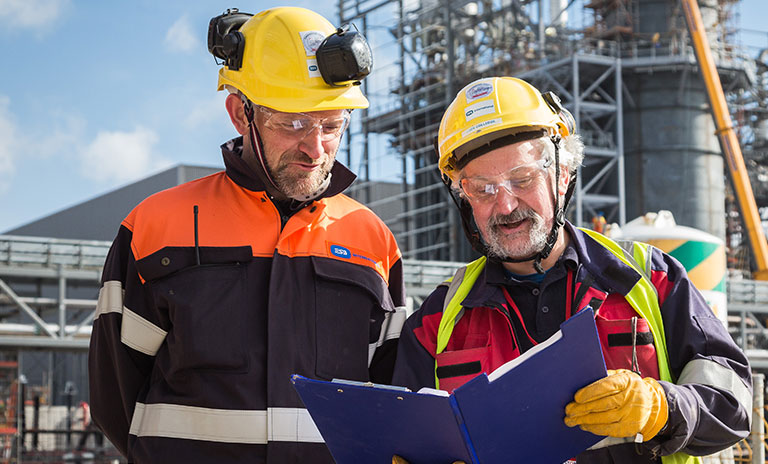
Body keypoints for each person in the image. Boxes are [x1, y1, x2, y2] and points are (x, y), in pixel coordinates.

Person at [88, 7, 406, 464]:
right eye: (293, 123)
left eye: (332, 125)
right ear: (240, 113)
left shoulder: (373, 240)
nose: (316, 149)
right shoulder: (153, 228)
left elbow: (393, 395)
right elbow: (114, 398)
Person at [392, 77, 752, 463]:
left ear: (562, 175)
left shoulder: (650, 277)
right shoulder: (436, 320)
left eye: (522, 179)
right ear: (463, 198)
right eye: (483, 189)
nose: (506, 205)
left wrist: (665, 408)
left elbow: (734, 402)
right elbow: (404, 440)